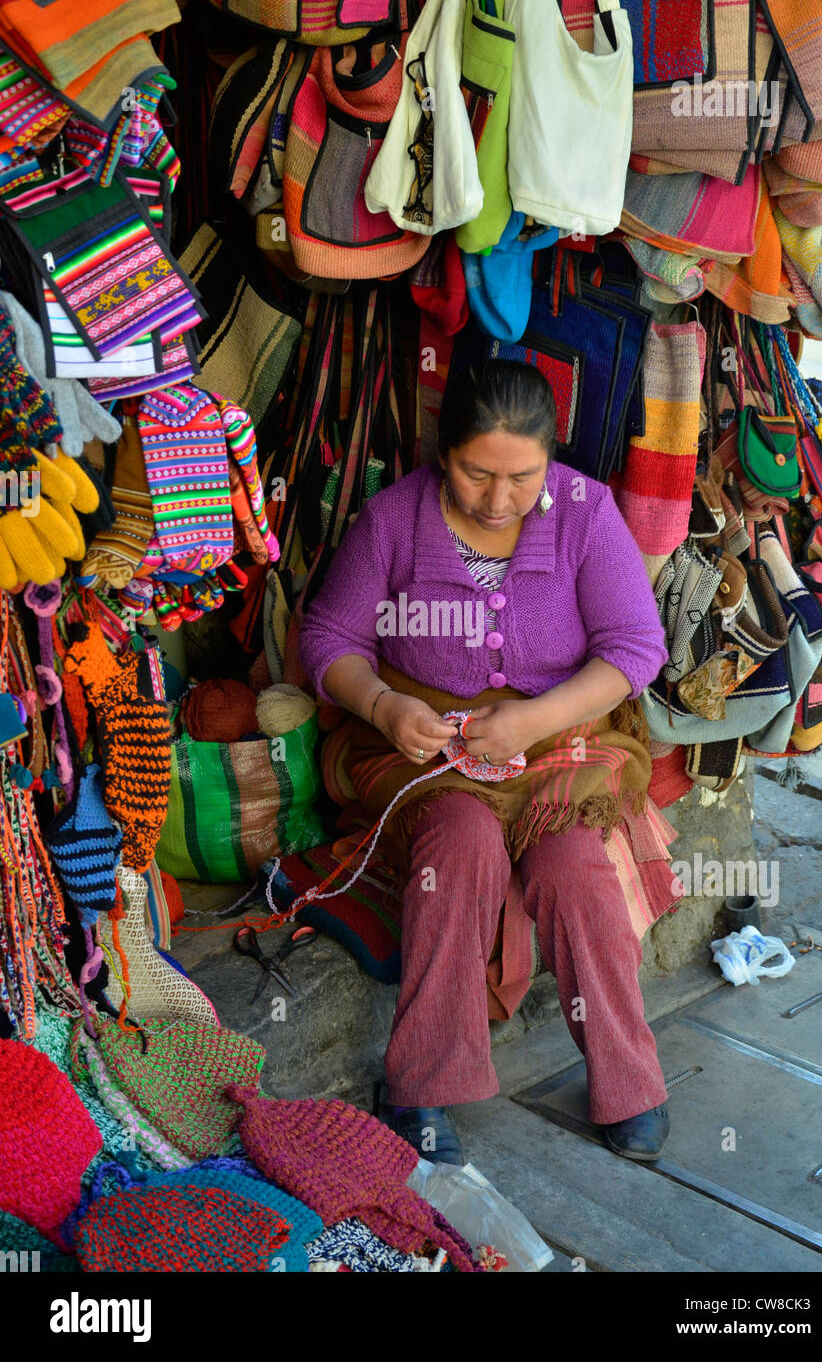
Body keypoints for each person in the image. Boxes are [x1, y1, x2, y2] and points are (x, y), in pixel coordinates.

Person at [300, 359, 674, 1166]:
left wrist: (533, 719)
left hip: (556, 751)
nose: (499, 498)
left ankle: (629, 1081)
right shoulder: (394, 519)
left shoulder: (584, 512)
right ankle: (424, 1087)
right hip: (421, 753)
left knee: (574, 868)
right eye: (477, 473)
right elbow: (329, 640)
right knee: (458, 848)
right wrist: (384, 706)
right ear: (444, 453)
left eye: (522, 476)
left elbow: (636, 647)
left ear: (550, 459)